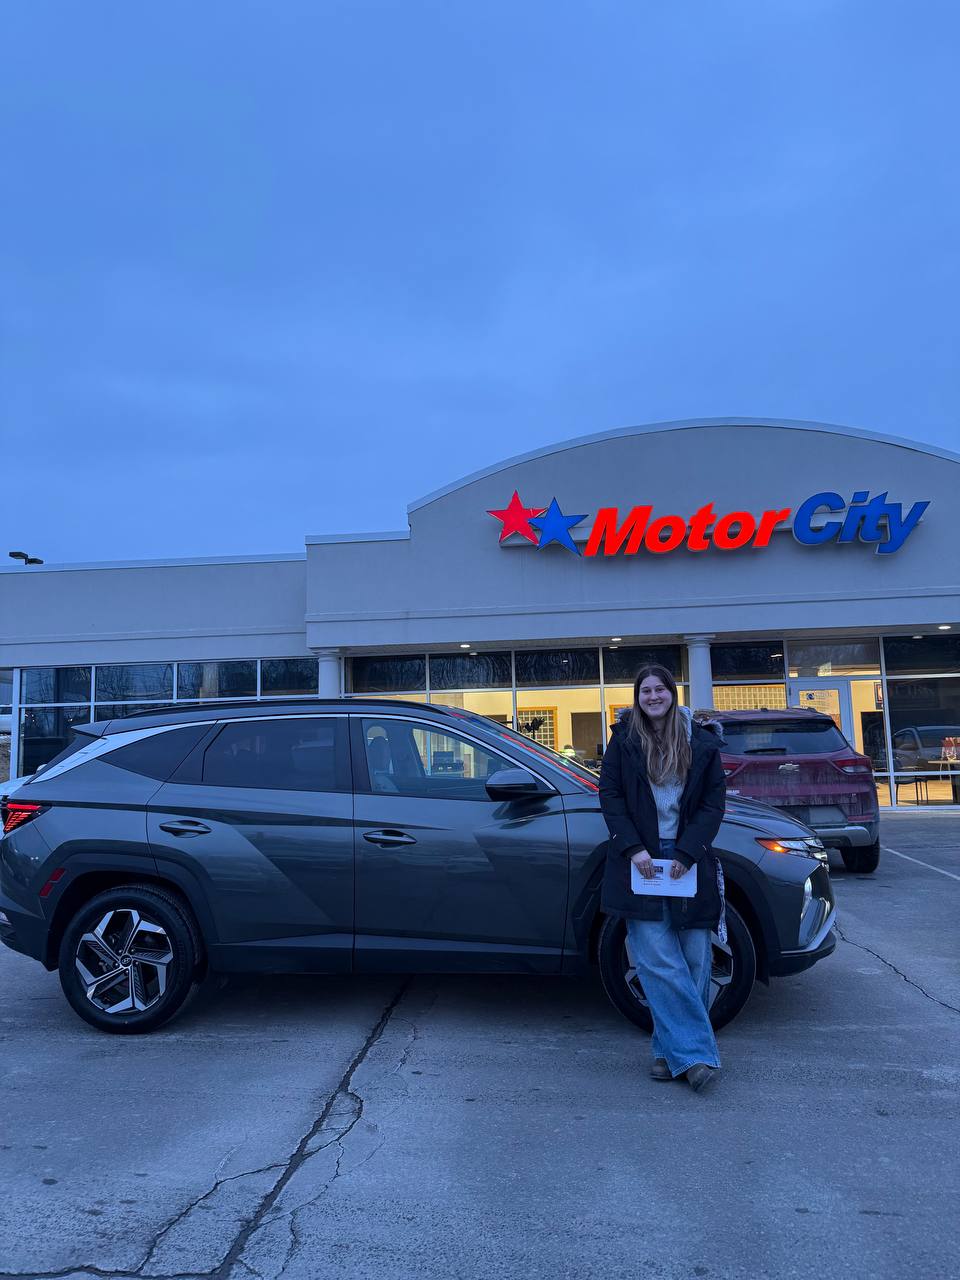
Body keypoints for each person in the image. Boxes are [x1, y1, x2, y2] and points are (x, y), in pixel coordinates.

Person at [599, 664, 726, 1092]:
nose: (652, 696)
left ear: (673, 692)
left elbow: (713, 803)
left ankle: (664, 1051)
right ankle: (695, 1058)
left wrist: (689, 852)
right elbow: (610, 795)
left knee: (694, 958)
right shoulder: (624, 740)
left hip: (687, 859)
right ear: (637, 697)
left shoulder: (702, 742)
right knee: (657, 959)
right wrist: (633, 849)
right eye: (645, 690)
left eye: (659, 689)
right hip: (643, 861)